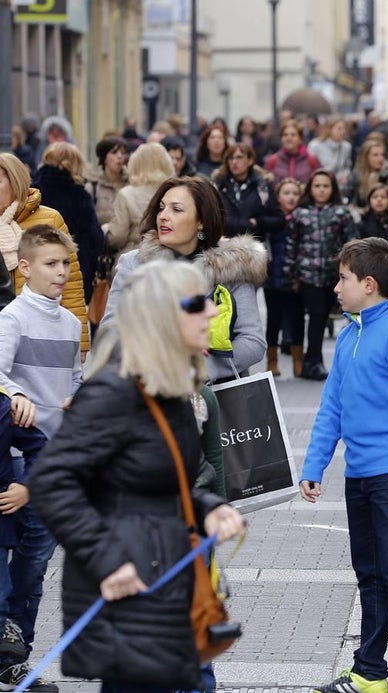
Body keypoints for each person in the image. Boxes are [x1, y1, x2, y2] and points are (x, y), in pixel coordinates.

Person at [30, 259, 246, 691]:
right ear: (161, 316)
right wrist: (108, 561)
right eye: (196, 303)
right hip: (130, 594)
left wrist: (209, 508)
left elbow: (168, 483)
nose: (211, 312)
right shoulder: (114, 391)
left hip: (166, 586)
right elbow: (51, 481)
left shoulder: (170, 391)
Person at [300, 238, 388, 693]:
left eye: (342, 278)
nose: (335, 287)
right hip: (360, 475)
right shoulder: (348, 336)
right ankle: (369, 672)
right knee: (370, 573)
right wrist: (314, 464)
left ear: (368, 284)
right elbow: (331, 409)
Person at [0, 225, 84, 692]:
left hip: (55, 466)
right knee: (9, 566)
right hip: (14, 457)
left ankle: (15, 657)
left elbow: (72, 379)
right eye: (51, 264)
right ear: (26, 267)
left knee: (33, 567)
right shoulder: (10, 319)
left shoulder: (72, 324)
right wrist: (15, 394)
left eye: (65, 264)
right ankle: (6, 648)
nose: (60, 272)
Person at [106, 176, 268, 383]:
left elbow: (253, 341)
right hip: (149, 386)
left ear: (201, 221)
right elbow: (111, 329)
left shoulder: (231, 266)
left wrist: (201, 369)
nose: (163, 216)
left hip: (216, 396)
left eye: (176, 209)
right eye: (162, 208)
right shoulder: (134, 264)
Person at [0, 153, 89, 353]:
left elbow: (71, 282)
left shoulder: (49, 219)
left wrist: (80, 342)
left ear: (15, 183)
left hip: (41, 333)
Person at [285, 170, 357, 380]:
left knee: (325, 317)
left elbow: (351, 243)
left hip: (333, 276)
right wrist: (291, 275)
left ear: (333, 188)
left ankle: (315, 360)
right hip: (307, 275)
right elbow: (292, 245)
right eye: (317, 186)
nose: (322, 190)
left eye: (326, 186)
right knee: (315, 316)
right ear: (310, 188)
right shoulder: (300, 214)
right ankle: (312, 361)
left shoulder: (341, 213)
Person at [0, 389, 49, 690]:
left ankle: (9, 652)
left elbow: (40, 447)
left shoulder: (4, 409)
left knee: (2, 592)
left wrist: (26, 487)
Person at [31, 143, 104, 304]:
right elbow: (95, 239)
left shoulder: (33, 193)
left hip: (36, 271)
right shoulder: (80, 196)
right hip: (72, 271)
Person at [106, 142, 176, 263]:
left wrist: (107, 230)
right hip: (169, 257)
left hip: (134, 258)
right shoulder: (174, 192)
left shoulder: (126, 194)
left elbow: (117, 237)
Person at [265, 178, 303, 377]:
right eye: (286, 193)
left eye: (295, 193)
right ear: (278, 196)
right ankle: (272, 360)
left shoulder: (302, 218)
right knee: (274, 320)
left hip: (295, 279)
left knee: (297, 319)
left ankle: (298, 360)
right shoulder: (271, 219)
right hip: (272, 278)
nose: (291, 197)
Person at [213, 142, 282, 241]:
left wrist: (257, 222)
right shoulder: (218, 186)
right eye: (231, 158)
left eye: (239, 157)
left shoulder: (262, 187)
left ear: (250, 161)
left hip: (253, 247)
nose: (234, 162)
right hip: (223, 247)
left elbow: (279, 220)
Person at [355, 183, 388, 255]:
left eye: (384, 197)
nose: (379, 200)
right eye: (375, 197)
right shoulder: (363, 223)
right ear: (369, 200)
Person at [85, 137, 128, 227]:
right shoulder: (93, 186)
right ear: (104, 158)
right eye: (114, 152)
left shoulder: (131, 184)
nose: (120, 156)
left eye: (123, 153)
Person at [265, 120, 321, 185]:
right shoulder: (273, 160)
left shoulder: (311, 159)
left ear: (300, 139)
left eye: (293, 135)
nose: (288, 138)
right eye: (285, 135)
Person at [347, 138, 388, 210]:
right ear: (366, 157)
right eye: (375, 155)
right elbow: (350, 197)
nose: (380, 158)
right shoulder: (356, 175)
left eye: (382, 155)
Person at [307, 118, 354, 188]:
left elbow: (347, 165)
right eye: (339, 129)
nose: (342, 132)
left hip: (339, 185)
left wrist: (346, 174)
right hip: (320, 183)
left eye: (344, 129)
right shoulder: (315, 145)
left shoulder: (346, 146)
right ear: (329, 130)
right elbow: (310, 167)